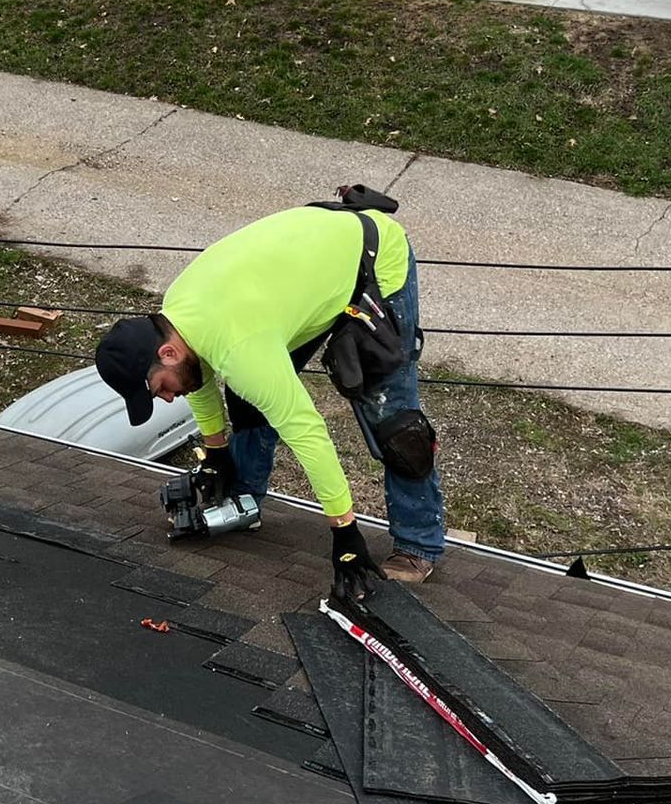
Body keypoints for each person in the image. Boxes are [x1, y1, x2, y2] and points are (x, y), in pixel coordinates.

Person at [95, 200, 445, 599]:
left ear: (167, 353)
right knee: (248, 397)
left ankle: (419, 544)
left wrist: (345, 533)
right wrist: (215, 452)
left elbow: (307, 431)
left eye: (161, 388)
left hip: (371, 262)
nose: (171, 398)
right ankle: (243, 502)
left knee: (396, 426)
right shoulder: (177, 320)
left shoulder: (240, 349)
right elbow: (200, 379)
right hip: (302, 278)